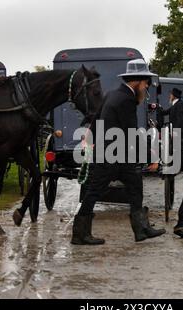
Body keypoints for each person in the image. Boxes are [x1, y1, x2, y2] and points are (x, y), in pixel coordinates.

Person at [71, 59, 166, 245]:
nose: (147, 87)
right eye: (146, 83)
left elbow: (96, 119)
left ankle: (141, 229)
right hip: (110, 156)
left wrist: (88, 137)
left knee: (135, 185)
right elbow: (132, 133)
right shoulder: (126, 100)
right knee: (93, 192)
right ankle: (79, 234)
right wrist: (151, 158)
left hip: (117, 156)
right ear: (138, 81)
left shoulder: (112, 94)